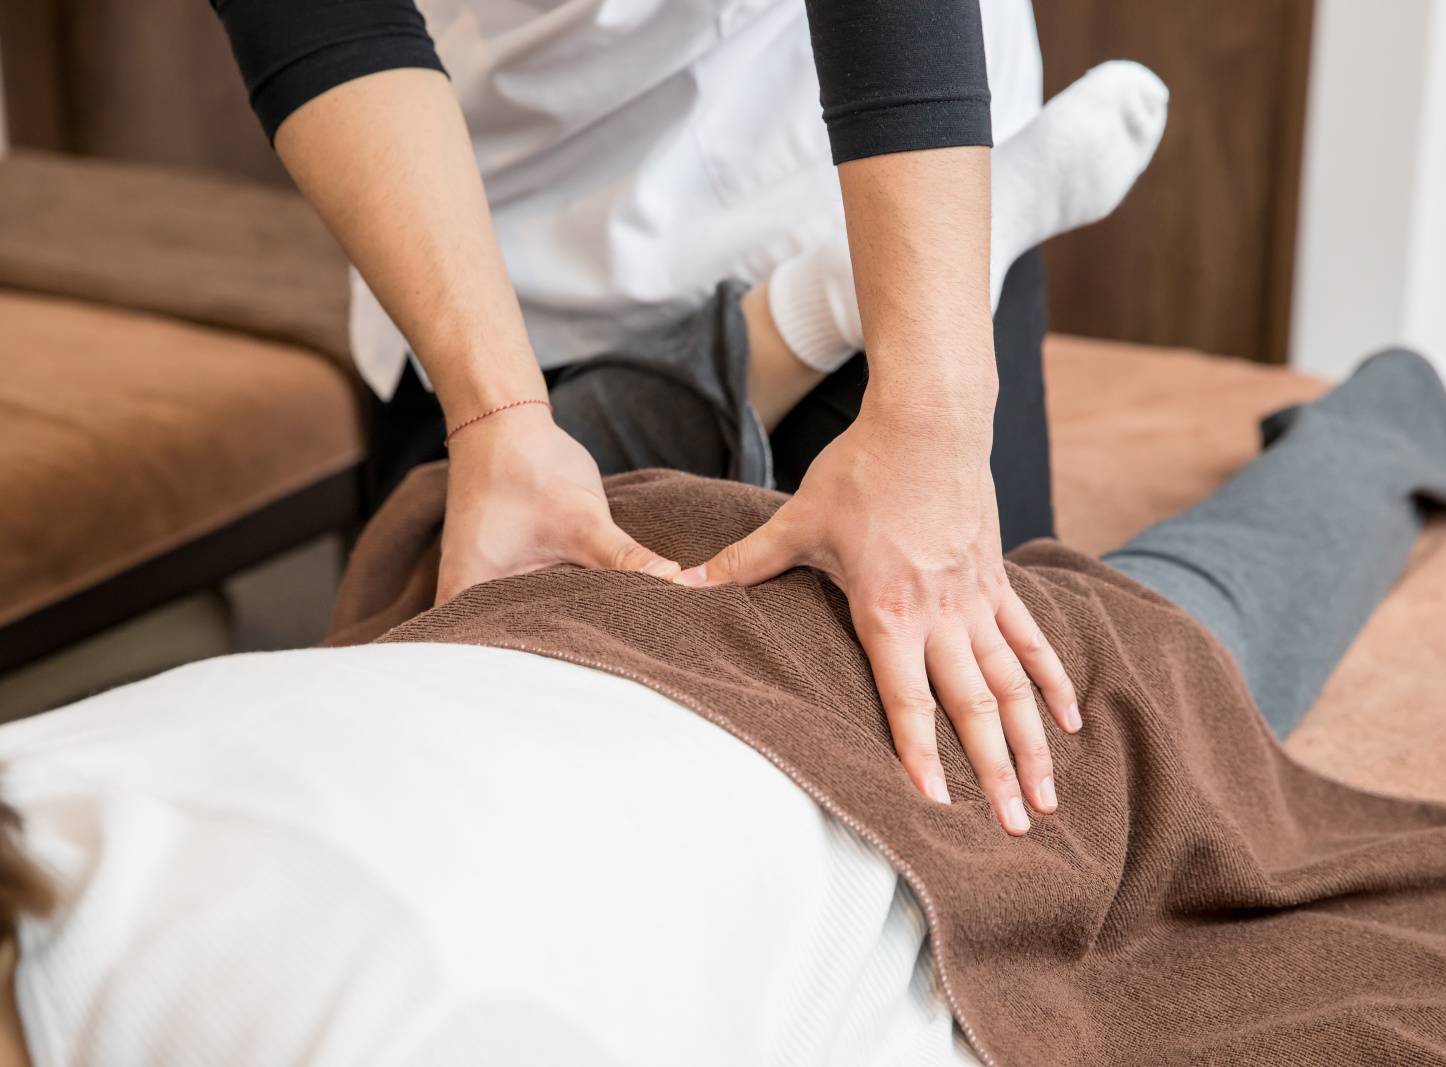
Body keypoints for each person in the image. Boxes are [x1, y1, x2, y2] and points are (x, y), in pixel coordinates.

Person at [0, 332, 1446, 1062]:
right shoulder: (42, 777)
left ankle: (1388, 413)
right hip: (539, 615)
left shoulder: (338, 1008)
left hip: (759, 691)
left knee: (1182, 636)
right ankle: (761, 340)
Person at [206, 0, 1117, 831]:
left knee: (1003, 746)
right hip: (488, 205)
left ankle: (834, 305)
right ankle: (805, 319)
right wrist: (497, 413)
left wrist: (929, 423)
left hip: (871, 157)